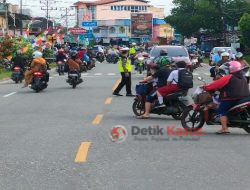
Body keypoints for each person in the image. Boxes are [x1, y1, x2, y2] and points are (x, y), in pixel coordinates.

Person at [203, 61, 250, 134]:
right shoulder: (243, 77)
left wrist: (206, 87)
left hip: (231, 98)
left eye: (228, 68)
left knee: (221, 111)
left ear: (232, 69)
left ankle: (224, 128)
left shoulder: (229, 77)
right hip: (242, 97)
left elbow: (215, 84)